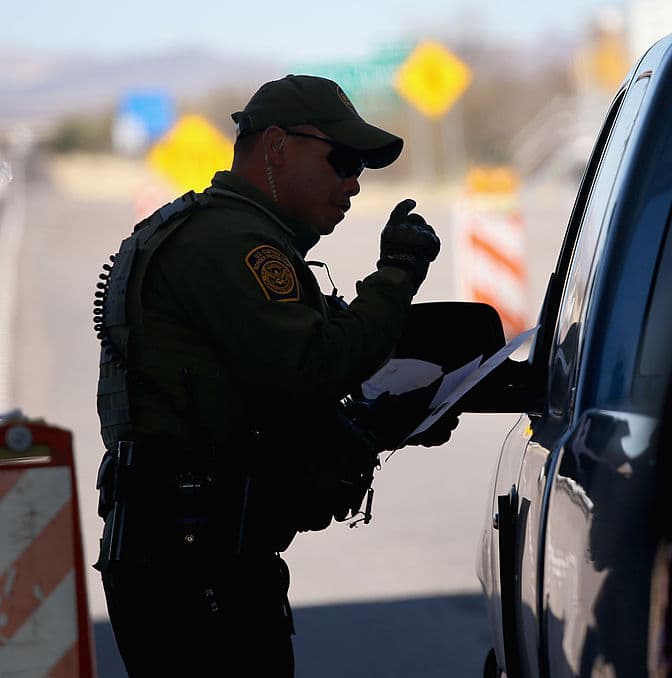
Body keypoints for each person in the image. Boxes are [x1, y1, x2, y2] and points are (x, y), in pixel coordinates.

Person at [93, 74, 451, 676]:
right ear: (277, 146)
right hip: (195, 569)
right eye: (341, 161)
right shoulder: (233, 244)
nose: (353, 183)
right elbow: (309, 367)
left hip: (194, 556)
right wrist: (398, 273)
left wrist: (370, 420)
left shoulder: (224, 234)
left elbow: (242, 393)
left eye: (359, 169)